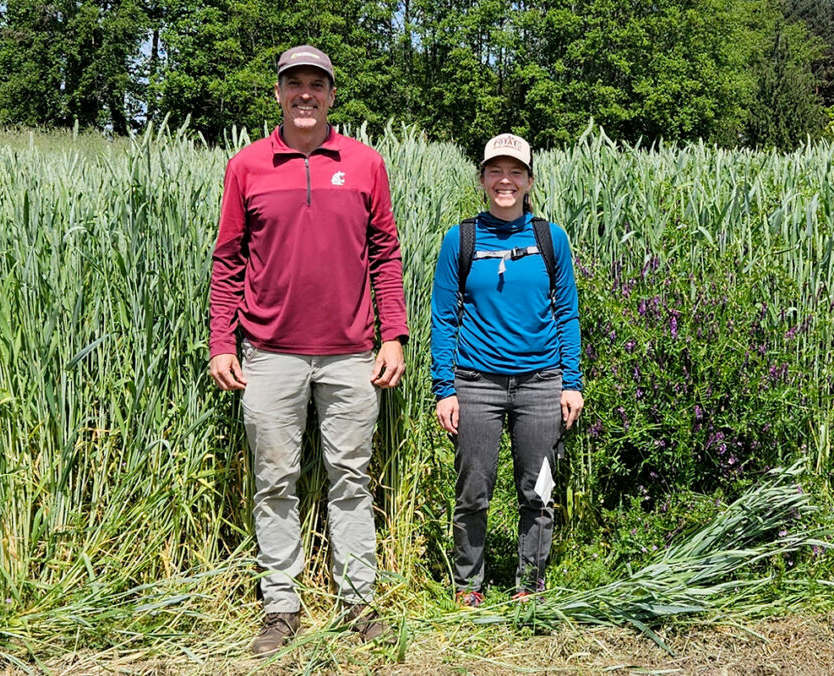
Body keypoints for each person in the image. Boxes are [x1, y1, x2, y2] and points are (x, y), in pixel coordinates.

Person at [208, 44, 408, 655]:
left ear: (330, 95)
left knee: (351, 479)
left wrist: (393, 335)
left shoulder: (365, 163)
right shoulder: (248, 166)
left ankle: (356, 603)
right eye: (293, 83)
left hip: (351, 354)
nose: (304, 94)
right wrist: (223, 341)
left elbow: (385, 255)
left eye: (315, 84)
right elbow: (228, 260)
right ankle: (281, 606)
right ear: (278, 93)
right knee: (275, 480)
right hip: (269, 354)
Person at [429, 133, 584, 607]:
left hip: (541, 384)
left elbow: (567, 313)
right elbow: (443, 316)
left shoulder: (549, 238)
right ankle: (467, 585)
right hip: (476, 386)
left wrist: (572, 382)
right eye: (495, 171)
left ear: (529, 181)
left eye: (515, 172)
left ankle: (530, 584)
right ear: (481, 179)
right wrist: (444, 388)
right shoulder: (462, 238)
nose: (505, 180)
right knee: (473, 491)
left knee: (538, 491)